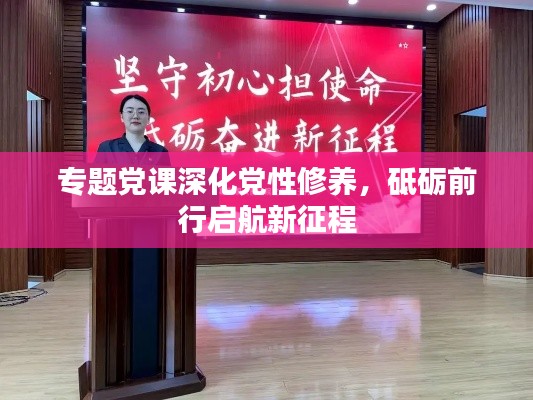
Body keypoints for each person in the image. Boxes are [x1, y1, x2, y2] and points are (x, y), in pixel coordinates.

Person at [96, 94, 170, 164]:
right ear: (122, 117)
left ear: (148, 118)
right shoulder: (107, 148)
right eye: (130, 111)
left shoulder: (161, 152)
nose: (135, 116)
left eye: (141, 112)